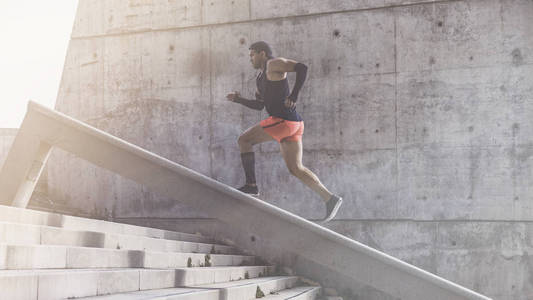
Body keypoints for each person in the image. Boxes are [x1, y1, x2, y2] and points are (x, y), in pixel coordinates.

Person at [226, 41, 342, 223]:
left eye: (252, 55)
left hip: (282, 121)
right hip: (293, 124)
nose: (250, 59)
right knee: (296, 169)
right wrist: (238, 99)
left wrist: (294, 95)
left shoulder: (274, 64)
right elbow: (259, 106)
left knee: (244, 141)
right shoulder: (259, 78)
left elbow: (302, 68)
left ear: (262, 53)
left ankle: (251, 185)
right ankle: (330, 198)